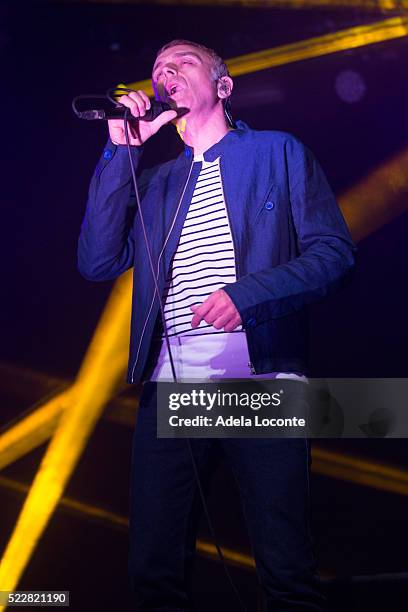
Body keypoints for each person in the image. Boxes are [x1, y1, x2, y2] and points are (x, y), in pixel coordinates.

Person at [78, 39, 356, 611]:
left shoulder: (277, 152)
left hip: (262, 384)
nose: (163, 72)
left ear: (223, 86)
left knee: (285, 571)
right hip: (171, 389)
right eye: (156, 67)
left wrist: (248, 295)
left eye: (181, 63)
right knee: (154, 572)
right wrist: (120, 152)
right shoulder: (155, 182)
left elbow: (333, 253)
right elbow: (96, 260)